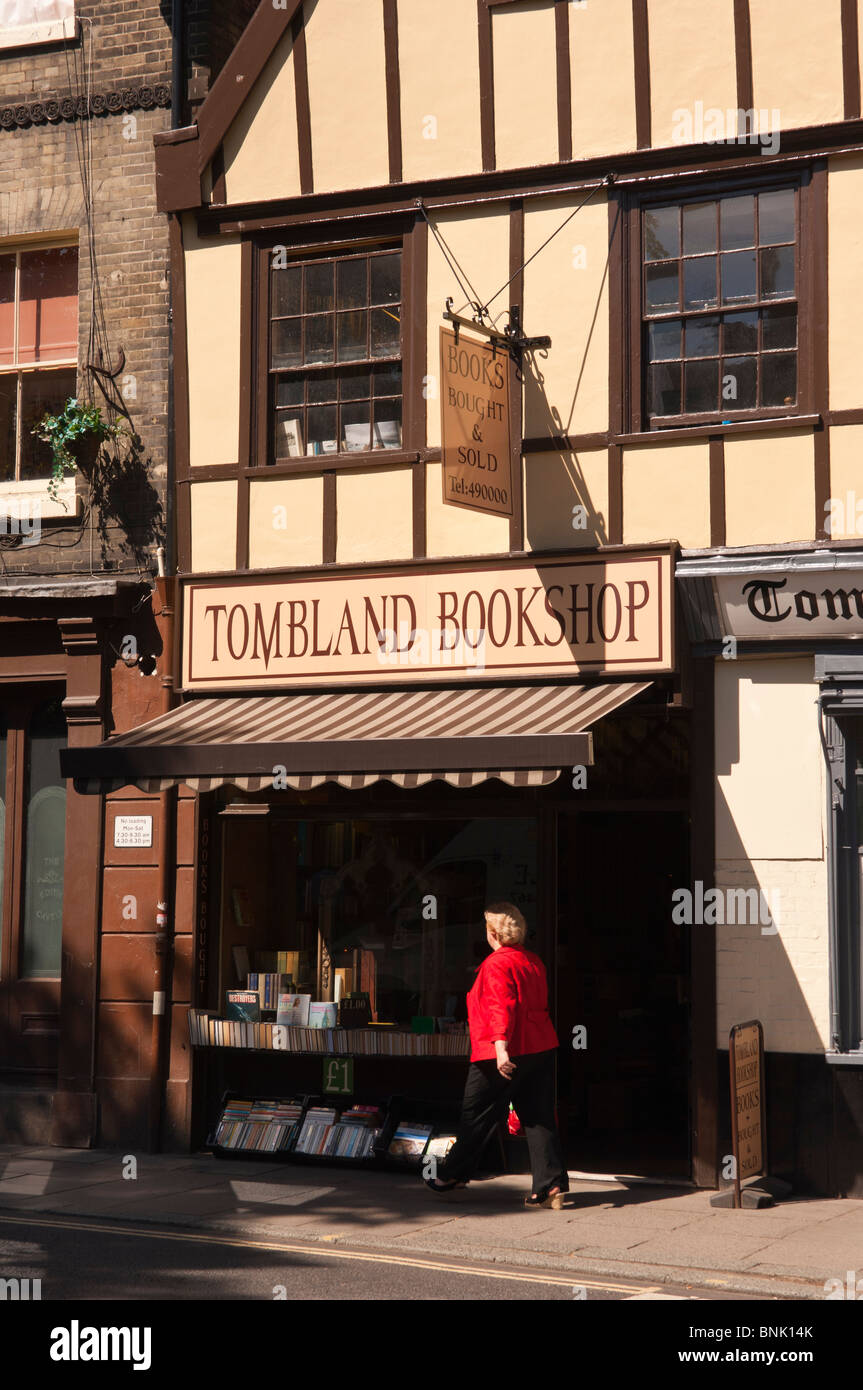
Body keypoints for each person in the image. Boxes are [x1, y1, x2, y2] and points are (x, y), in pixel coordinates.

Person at [424, 901, 569, 1208]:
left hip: (501, 1052)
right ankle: (551, 1186)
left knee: (475, 1115)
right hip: (541, 1047)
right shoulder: (534, 961)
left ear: (492, 933)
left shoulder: (495, 964)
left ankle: (451, 1175)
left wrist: (501, 1048)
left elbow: (500, 1007)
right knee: (539, 1117)